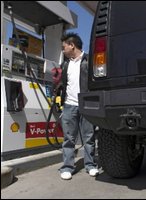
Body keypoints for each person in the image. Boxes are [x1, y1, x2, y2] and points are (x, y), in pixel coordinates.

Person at [58, 32, 99, 180]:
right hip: (69, 105)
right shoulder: (65, 63)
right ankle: (68, 167)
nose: (63, 50)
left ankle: (90, 165)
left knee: (89, 137)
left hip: (87, 104)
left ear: (72, 45)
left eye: (64, 47)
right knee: (69, 138)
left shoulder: (89, 60)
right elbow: (64, 84)